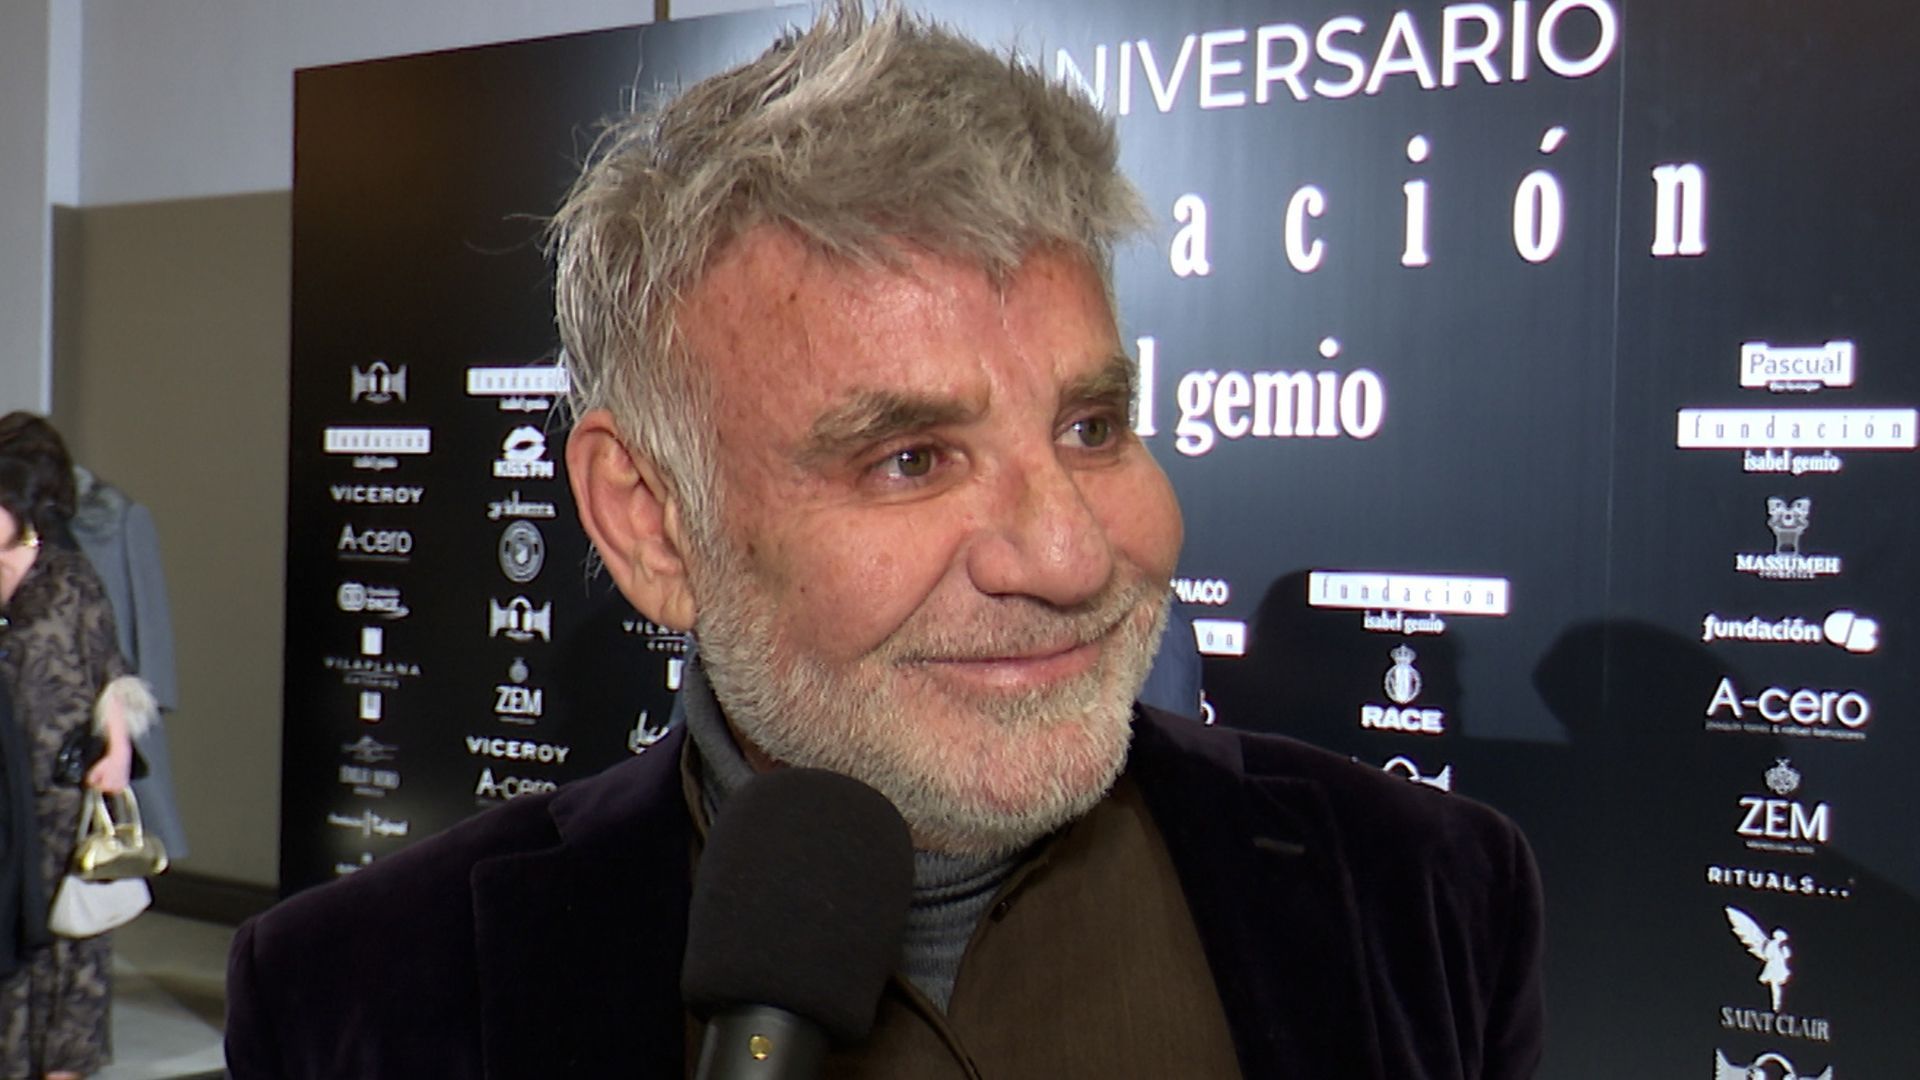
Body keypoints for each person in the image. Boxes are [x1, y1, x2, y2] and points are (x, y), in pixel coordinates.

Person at [225, 4, 1544, 1077]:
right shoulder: (360, 1000)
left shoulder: (1425, 897)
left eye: (1091, 428)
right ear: (651, 521)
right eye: (910, 459)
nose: (1070, 558)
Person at [0, 451, 156, 1080]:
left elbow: (110, 673)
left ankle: (64, 1062)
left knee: (73, 928)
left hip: (63, 783)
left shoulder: (68, 576)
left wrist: (117, 752)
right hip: (4, 788)